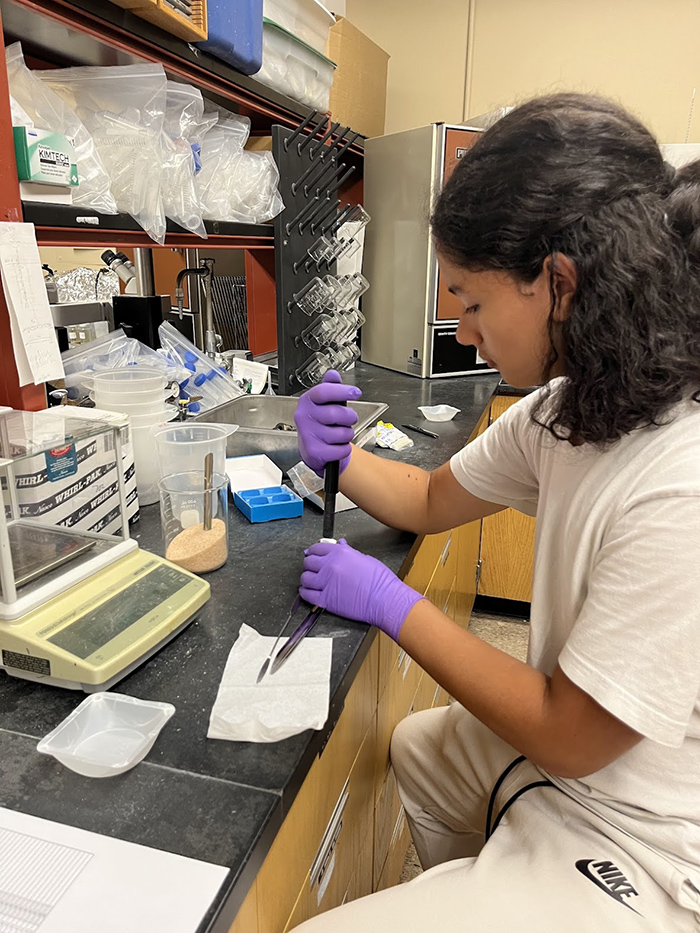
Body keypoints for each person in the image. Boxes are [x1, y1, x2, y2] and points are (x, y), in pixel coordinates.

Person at [289, 93, 700, 931]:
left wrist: (393, 605)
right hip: (590, 765)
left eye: (472, 301)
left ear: (558, 283)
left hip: (656, 836)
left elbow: (571, 735)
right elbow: (431, 498)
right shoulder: (568, 408)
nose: (464, 330)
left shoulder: (681, 477)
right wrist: (337, 456)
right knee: (420, 750)